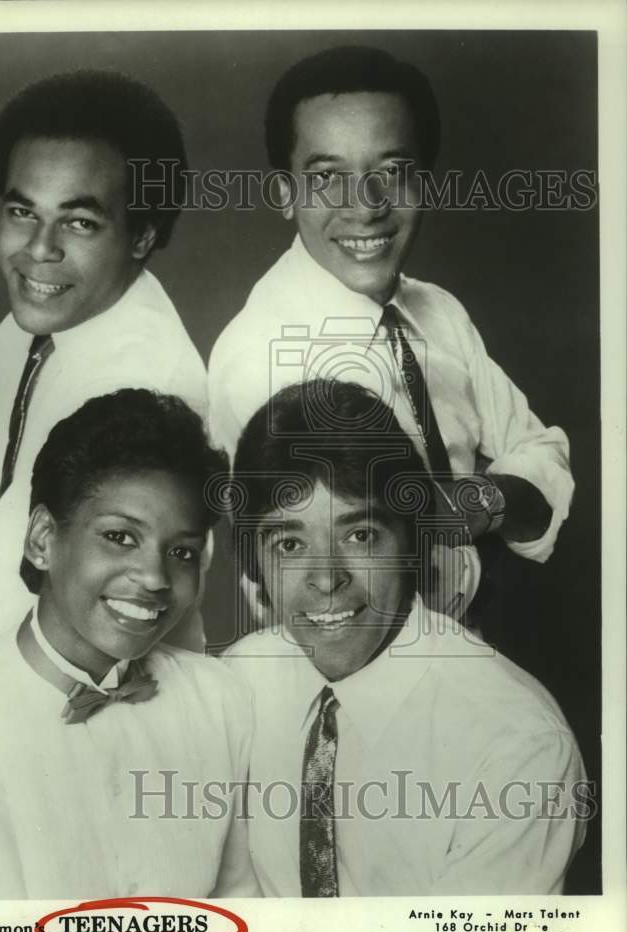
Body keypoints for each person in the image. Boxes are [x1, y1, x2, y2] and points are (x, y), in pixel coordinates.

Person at [208, 46, 573, 620]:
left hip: (482, 643)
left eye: (392, 173)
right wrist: (499, 503)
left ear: (424, 181)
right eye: (328, 177)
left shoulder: (437, 311)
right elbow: (348, 592)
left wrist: (476, 503)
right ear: (284, 193)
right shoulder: (264, 360)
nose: (367, 206)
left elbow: (544, 454)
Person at [0, 390, 258, 900]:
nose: (154, 577)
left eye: (181, 551)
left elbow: (244, 914)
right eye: (120, 537)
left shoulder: (222, 703)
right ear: (42, 540)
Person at [224, 379, 586, 897]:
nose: (326, 578)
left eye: (360, 535)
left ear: (411, 539)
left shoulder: (517, 746)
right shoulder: (236, 684)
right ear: (253, 560)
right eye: (288, 542)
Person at [0, 70, 206, 654]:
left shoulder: (142, 380)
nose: (39, 251)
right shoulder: (41, 317)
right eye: (22, 212)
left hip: (102, 707)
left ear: (142, 235)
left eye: (80, 222)